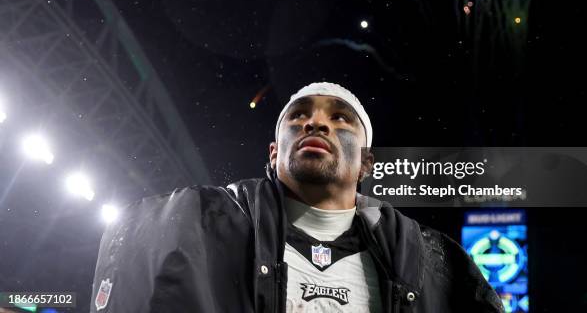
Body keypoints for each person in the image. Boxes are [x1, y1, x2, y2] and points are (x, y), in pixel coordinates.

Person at [90, 82, 503, 312]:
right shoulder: (195, 227)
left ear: (366, 164)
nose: (315, 124)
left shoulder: (433, 265)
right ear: (274, 152)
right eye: (299, 115)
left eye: (339, 118)